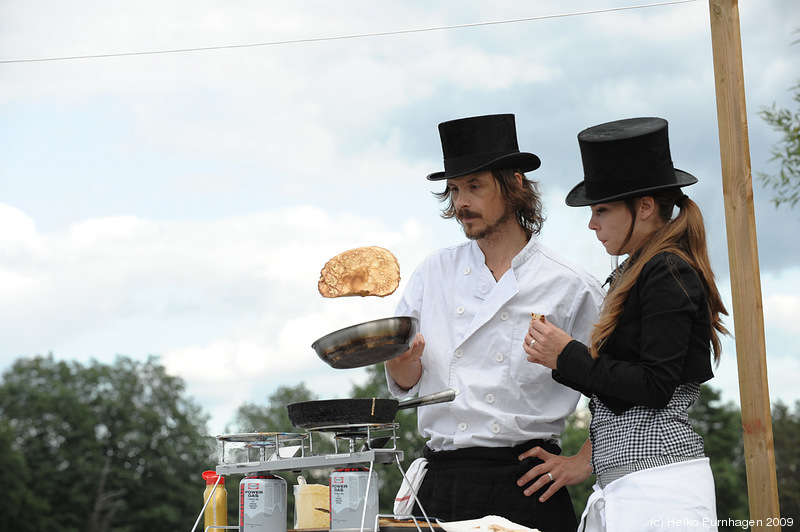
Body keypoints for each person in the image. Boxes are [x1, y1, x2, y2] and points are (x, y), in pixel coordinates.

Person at [385, 114, 605, 532]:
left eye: (474, 186)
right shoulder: (434, 272)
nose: (461, 202)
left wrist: (584, 460)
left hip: (525, 484)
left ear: (515, 184)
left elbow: (616, 387)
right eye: (453, 189)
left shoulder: (571, 284)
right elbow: (406, 375)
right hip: (440, 484)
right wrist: (398, 362)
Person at [518, 117, 729, 531]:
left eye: (602, 209)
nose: (592, 223)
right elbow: (621, 390)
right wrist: (556, 359)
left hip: (659, 489)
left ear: (645, 207)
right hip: (631, 486)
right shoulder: (643, 269)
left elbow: (654, 386)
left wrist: (567, 355)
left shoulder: (668, 271)